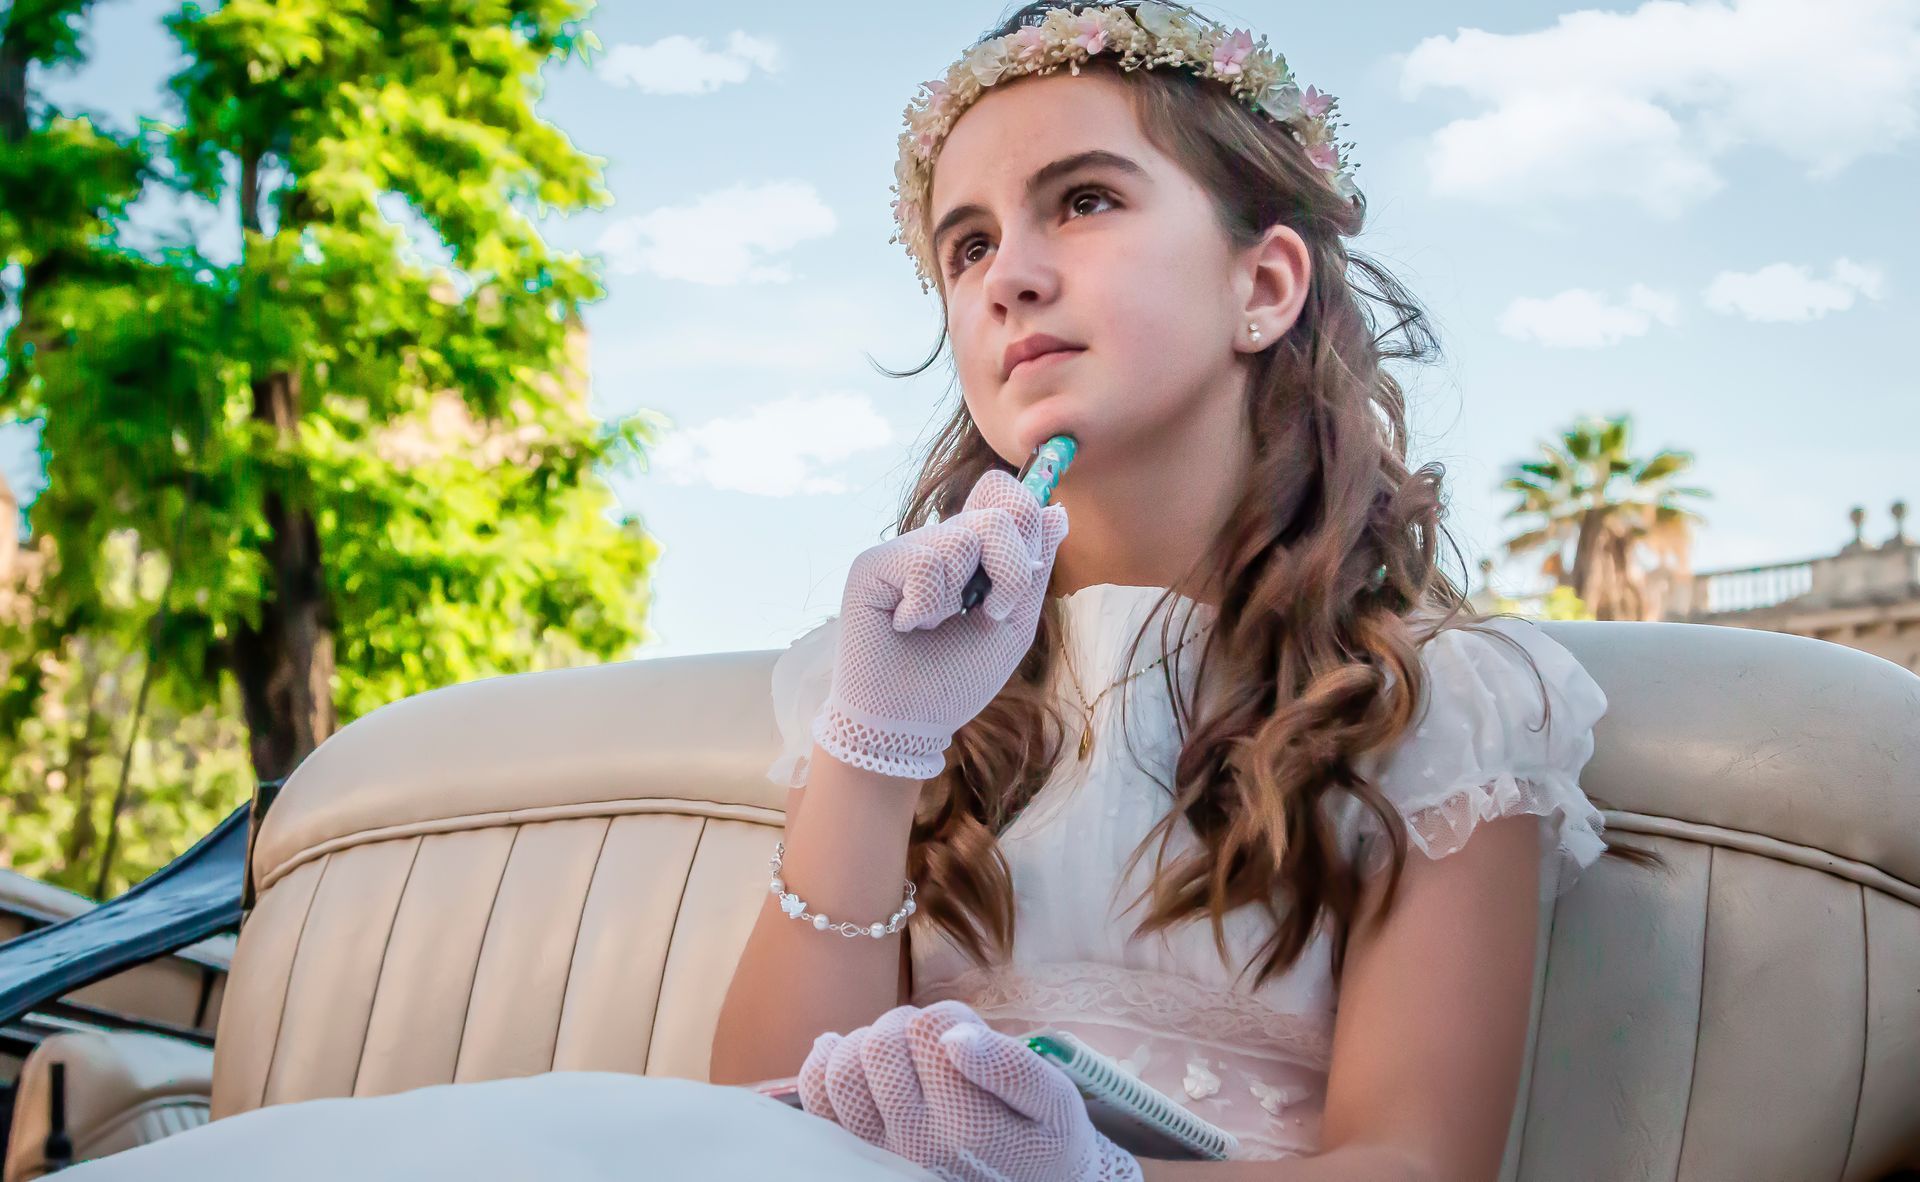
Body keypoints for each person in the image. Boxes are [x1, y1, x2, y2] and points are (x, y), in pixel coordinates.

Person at [59, 4, 1644, 1180]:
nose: (1009, 273)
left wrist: (1090, 1179)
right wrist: (879, 743)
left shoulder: (1443, 703)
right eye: (966, 244)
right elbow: (756, 1105)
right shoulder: (890, 668)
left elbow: (1416, 1162)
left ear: (1265, 281)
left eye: (1084, 201)